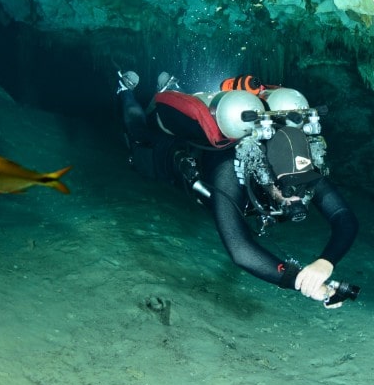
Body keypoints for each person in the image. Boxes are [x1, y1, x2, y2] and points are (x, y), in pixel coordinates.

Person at [116, 70, 360, 308]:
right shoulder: (230, 172)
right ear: (267, 176)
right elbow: (240, 250)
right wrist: (298, 281)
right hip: (178, 155)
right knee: (139, 142)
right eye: (287, 190)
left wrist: (325, 262)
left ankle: (172, 89)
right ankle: (126, 92)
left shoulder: (299, 167)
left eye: (304, 186)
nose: (297, 197)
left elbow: (344, 218)